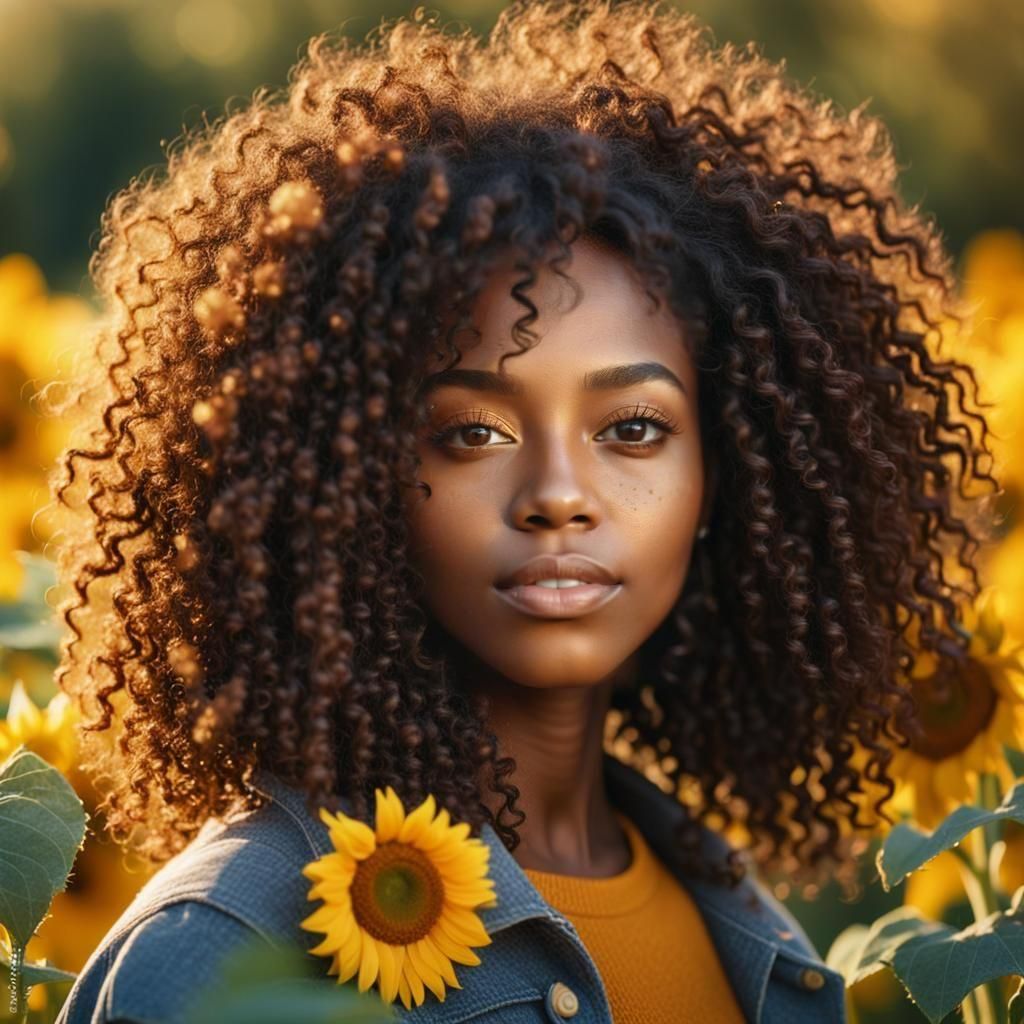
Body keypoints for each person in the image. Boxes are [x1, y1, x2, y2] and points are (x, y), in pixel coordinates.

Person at [50, 1, 996, 1021]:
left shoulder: (759, 946)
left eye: (631, 429)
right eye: (471, 433)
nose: (556, 494)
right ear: (352, 479)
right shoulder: (222, 951)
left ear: (723, 476)